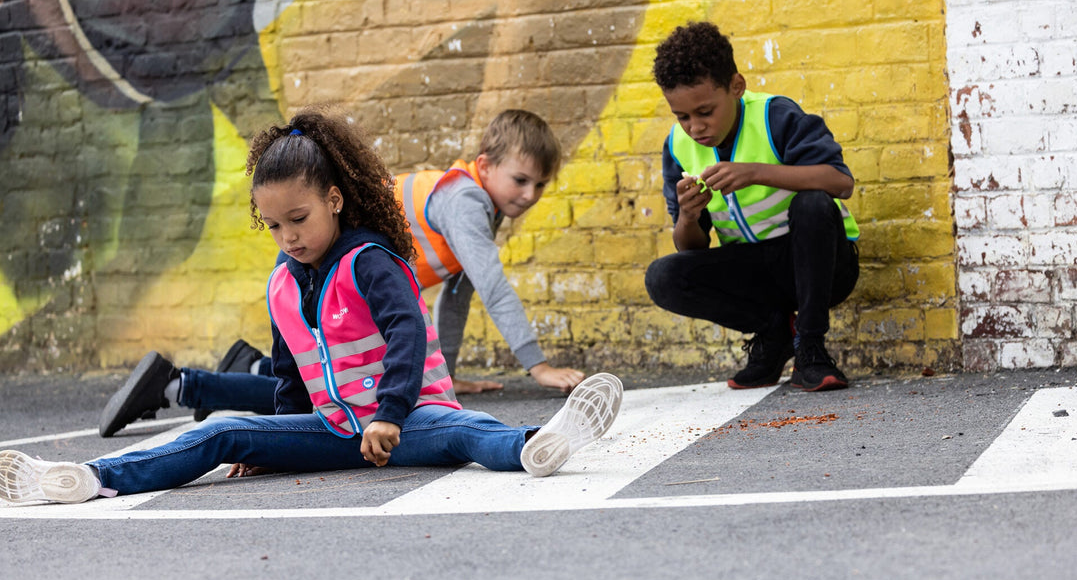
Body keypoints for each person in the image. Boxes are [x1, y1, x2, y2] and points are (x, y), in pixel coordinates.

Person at [1, 106, 623, 505]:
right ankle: (90, 477)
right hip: (334, 430)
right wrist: (273, 442)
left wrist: (388, 413)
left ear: (333, 198)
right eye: (272, 226)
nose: (288, 237)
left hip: (405, 421)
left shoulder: (370, 260)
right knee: (223, 431)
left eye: (298, 219)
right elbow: (289, 372)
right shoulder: (281, 281)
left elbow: (409, 334)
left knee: (463, 432)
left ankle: (536, 444)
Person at [99, 109, 585, 437]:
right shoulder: (463, 202)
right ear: (485, 166)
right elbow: (492, 286)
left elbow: (455, 297)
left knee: (327, 377)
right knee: (319, 387)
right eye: (521, 179)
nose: (530, 193)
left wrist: (445, 373)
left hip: (339, 285)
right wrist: (537, 366)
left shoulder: (476, 205)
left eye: (541, 185)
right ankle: (181, 384)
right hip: (320, 266)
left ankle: (239, 369)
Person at [644, 22, 860, 392]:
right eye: (682, 116)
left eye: (705, 111)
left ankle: (811, 348)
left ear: (736, 87)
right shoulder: (678, 146)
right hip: (755, 271)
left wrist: (757, 173)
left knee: (813, 204)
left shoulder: (775, 116)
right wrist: (689, 216)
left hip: (823, 266)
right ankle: (774, 332)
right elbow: (691, 248)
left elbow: (841, 182)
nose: (695, 127)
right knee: (663, 276)